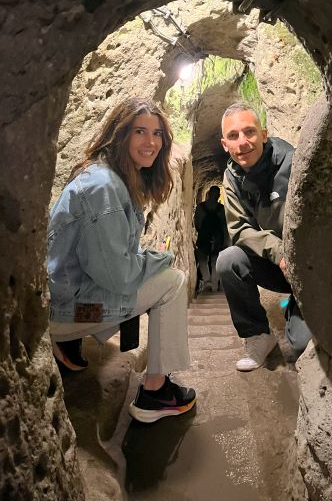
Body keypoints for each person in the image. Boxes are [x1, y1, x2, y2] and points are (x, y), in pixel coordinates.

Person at [47, 97, 196, 423]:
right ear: (120, 133)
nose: (151, 142)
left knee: (153, 271)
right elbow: (120, 278)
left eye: (157, 134)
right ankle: (156, 393)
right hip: (72, 310)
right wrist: (162, 258)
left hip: (67, 300)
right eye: (140, 131)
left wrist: (148, 260)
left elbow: (104, 258)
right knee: (172, 282)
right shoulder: (104, 188)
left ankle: (68, 345)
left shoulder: (107, 177)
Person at [216, 103, 312, 371]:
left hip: (309, 267)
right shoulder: (232, 177)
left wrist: (295, 258)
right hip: (276, 265)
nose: (243, 142)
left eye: (250, 132)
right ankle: (258, 335)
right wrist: (279, 253)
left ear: (264, 134)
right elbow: (239, 229)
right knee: (229, 259)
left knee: (302, 344)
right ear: (225, 144)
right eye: (233, 136)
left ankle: (297, 301)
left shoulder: (291, 163)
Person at [194, 185, 227, 292]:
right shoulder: (221, 209)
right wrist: (224, 240)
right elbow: (224, 225)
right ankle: (214, 285)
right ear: (218, 195)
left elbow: (197, 223)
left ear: (208, 194)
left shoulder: (200, 207)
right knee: (215, 261)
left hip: (204, 237)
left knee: (203, 259)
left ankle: (207, 281)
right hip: (217, 238)